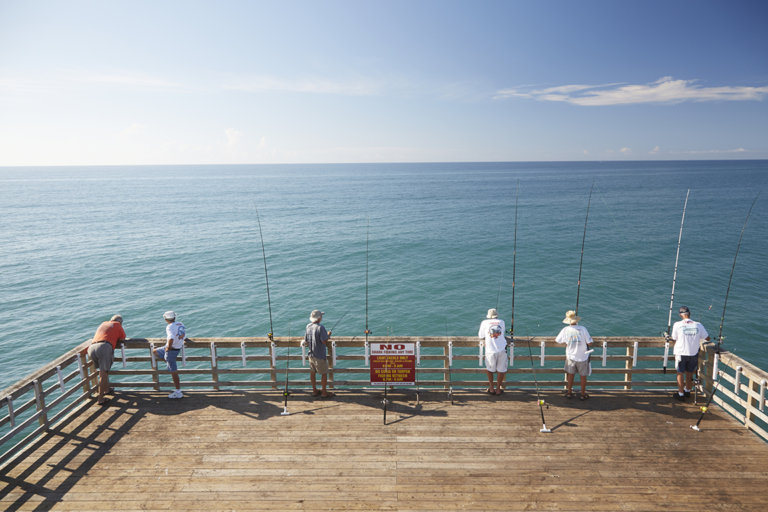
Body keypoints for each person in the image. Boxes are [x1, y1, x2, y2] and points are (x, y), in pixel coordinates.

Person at [669, 305, 710, 401]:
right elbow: (707, 338)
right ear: (689, 314)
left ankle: (681, 394)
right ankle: (687, 390)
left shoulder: (677, 325)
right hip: (693, 353)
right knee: (689, 373)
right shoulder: (698, 325)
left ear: (680, 315)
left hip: (681, 353)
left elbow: (674, 338)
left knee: (680, 373)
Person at [87, 314, 126, 405]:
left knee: (101, 372)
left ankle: (106, 389)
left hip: (91, 347)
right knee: (103, 374)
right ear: (120, 322)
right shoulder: (117, 325)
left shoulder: (103, 323)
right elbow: (123, 337)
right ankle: (100, 398)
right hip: (104, 347)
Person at [555, 310, 593, 400]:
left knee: (570, 375)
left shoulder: (565, 330)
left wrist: (568, 341)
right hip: (583, 357)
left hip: (571, 356)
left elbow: (557, 340)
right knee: (583, 376)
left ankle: (569, 393)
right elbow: (590, 343)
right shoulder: (583, 329)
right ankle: (583, 395)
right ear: (576, 319)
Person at [302, 309, 335, 398]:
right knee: (324, 373)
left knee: (313, 372)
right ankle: (324, 392)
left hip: (311, 355)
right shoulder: (321, 327)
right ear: (319, 318)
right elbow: (324, 341)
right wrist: (328, 335)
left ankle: (314, 391)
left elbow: (305, 340)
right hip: (319, 355)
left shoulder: (308, 326)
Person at [153, 311, 186, 399]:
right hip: (178, 347)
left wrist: (168, 347)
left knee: (173, 372)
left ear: (166, 319)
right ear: (174, 317)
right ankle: (168, 362)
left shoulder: (169, 327)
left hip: (172, 349)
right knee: (155, 351)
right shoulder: (180, 324)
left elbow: (171, 338)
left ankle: (178, 392)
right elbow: (183, 335)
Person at [478, 308, 508, 395]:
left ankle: (491, 388)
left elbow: (481, 336)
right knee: (501, 370)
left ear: (488, 316)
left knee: (489, 369)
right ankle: (498, 389)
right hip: (502, 349)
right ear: (496, 315)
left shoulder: (484, 322)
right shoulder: (502, 322)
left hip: (490, 350)